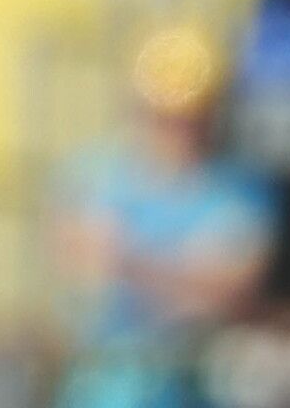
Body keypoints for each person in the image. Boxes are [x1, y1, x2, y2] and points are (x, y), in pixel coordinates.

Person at [53, 25, 273, 408]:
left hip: (197, 390)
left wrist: (130, 263)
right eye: (165, 117)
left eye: (190, 118)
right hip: (103, 389)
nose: (177, 131)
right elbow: (79, 278)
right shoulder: (93, 173)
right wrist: (181, 277)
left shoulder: (240, 188)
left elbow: (230, 291)